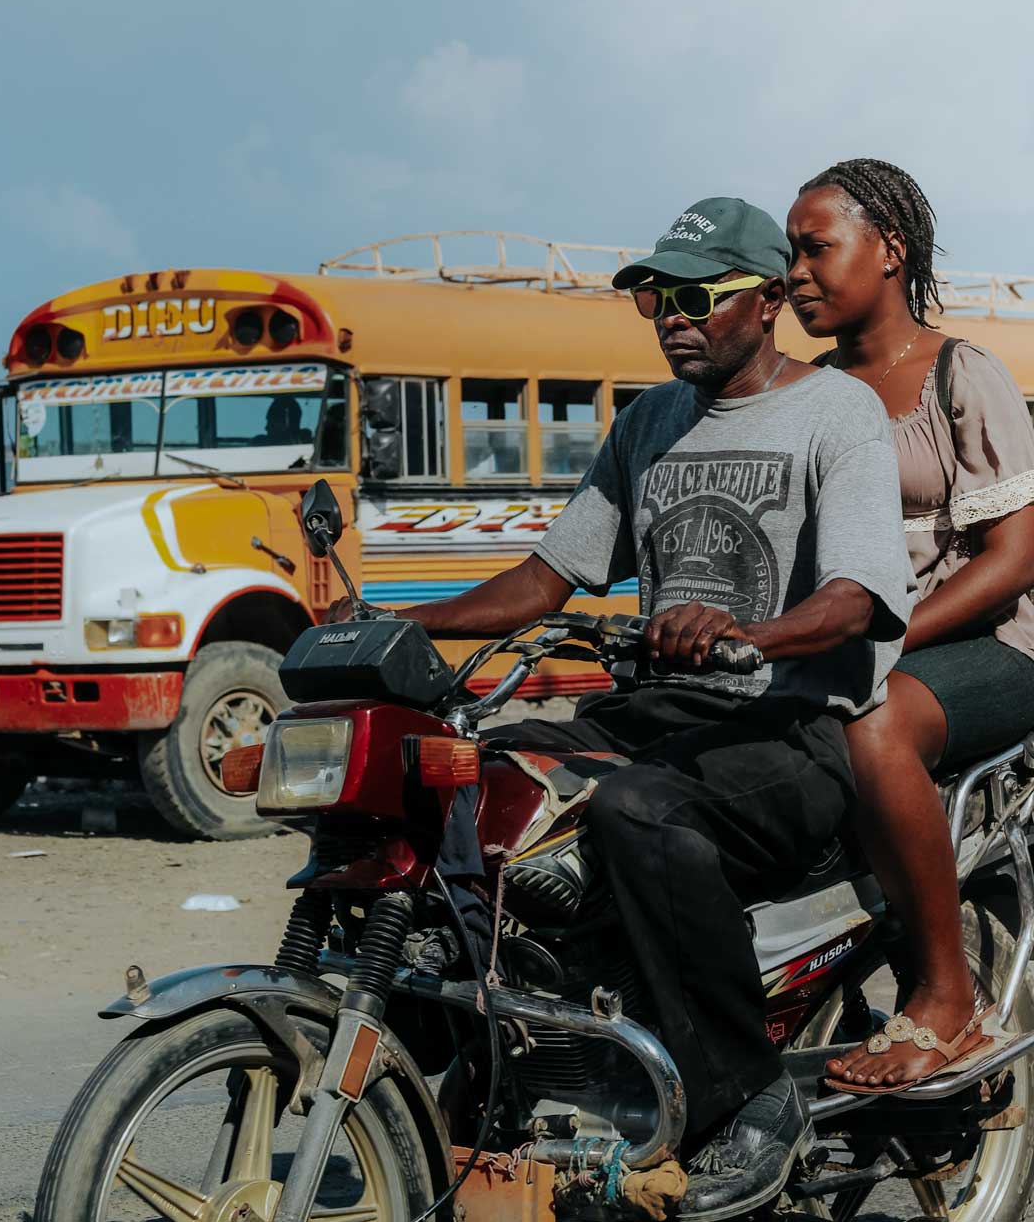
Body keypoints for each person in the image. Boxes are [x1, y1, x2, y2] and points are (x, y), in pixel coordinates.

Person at [330, 197, 912, 1219]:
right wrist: (397, 624)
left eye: (695, 294)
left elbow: (857, 597)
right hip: (655, 714)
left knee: (637, 806)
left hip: (790, 730)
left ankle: (750, 1099)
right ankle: (498, 1044)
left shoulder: (836, 413)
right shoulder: (647, 421)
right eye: (655, 296)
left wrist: (747, 634)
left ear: (768, 299)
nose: (671, 316)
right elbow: (547, 579)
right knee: (473, 771)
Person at [787, 159, 1034, 1093]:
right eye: (788, 254)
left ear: (889, 250)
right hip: (852, 644)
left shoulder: (961, 374)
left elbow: (1013, 558)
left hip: (989, 644)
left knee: (874, 716)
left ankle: (946, 995)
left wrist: (891, 637)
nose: (795, 273)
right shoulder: (803, 391)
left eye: (816, 248)